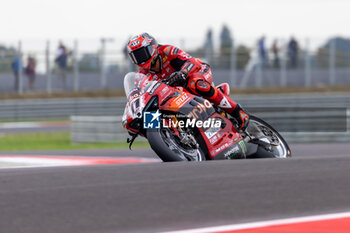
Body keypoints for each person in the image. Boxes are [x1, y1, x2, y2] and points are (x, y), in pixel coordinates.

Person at [126, 33, 249, 130]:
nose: (140, 59)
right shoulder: (142, 74)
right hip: (177, 91)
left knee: (195, 84)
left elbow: (192, 62)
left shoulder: (167, 51)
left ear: (152, 48)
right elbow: (144, 92)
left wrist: (182, 73)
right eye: (136, 56)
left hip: (197, 71)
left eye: (142, 53)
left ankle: (238, 111)